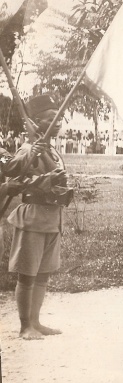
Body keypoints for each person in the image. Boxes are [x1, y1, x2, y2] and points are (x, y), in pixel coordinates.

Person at [5, 94, 71, 339]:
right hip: (33, 217)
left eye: (59, 117)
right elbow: (15, 173)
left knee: (43, 274)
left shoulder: (52, 151)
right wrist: (32, 154)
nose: (57, 121)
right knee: (28, 274)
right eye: (50, 118)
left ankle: (36, 321)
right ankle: (25, 326)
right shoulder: (27, 149)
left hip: (52, 218)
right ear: (34, 123)